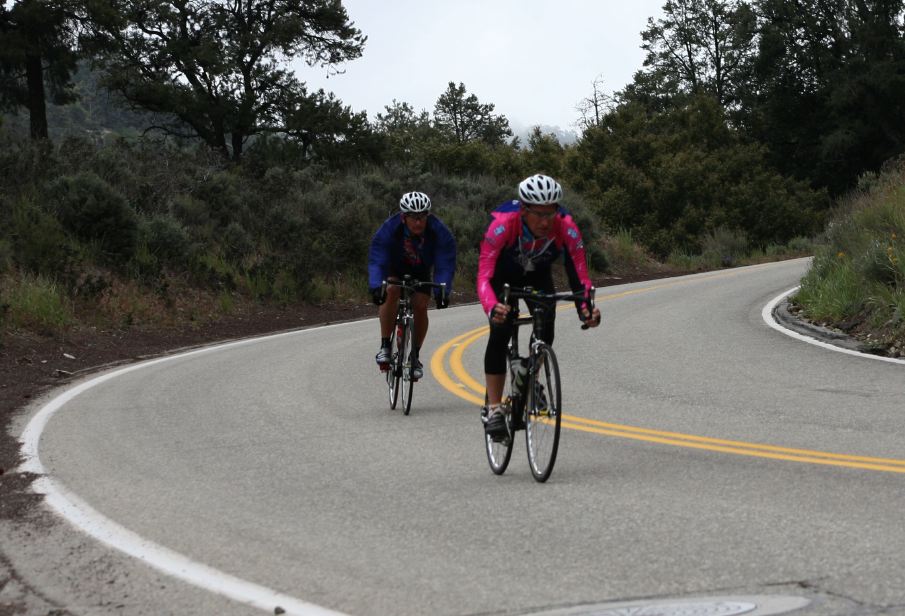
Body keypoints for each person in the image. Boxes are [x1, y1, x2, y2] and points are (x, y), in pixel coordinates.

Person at [476, 174, 601, 438]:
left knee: (547, 325)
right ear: (523, 210)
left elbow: (579, 273)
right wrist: (491, 306)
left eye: (551, 213)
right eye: (538, 214)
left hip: (537, 275)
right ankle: (494, 407)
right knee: (500, 329)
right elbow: (485, 275)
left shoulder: (565, 226)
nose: (545, 222)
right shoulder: (501, 225)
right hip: (502, 276)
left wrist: (586, 308)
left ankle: (530, 379)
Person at [368, 191, 456, 380]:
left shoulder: (439, 231)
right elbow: (377, 256)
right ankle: (385, 345)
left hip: (421, 269)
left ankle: (414, 356)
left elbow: (445, 262)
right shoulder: (390, 228)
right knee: (391, 290)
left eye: (422, 217)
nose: (418, 222)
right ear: (403, 217)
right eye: (414, 218)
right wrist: (376, 286)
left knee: (421, 304)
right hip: (395, 267)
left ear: (428, 216)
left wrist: (443, 291)